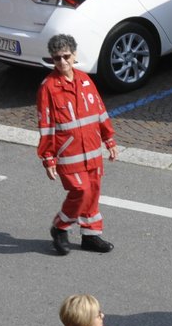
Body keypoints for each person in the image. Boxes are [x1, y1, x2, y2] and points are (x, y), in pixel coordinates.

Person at [37, 33, 116, 256]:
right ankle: (60, 227)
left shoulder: (85, 80)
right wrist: (48, 157)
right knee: (80, 191)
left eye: (66, 56)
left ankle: (91, 235)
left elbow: (100, 112)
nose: (61, 62)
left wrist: (109, 139)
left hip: (92, 150)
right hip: (68, 154)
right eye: (56, 58)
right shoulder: (48, 88)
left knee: (93, 191)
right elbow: (46, 125)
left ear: (74, 55)